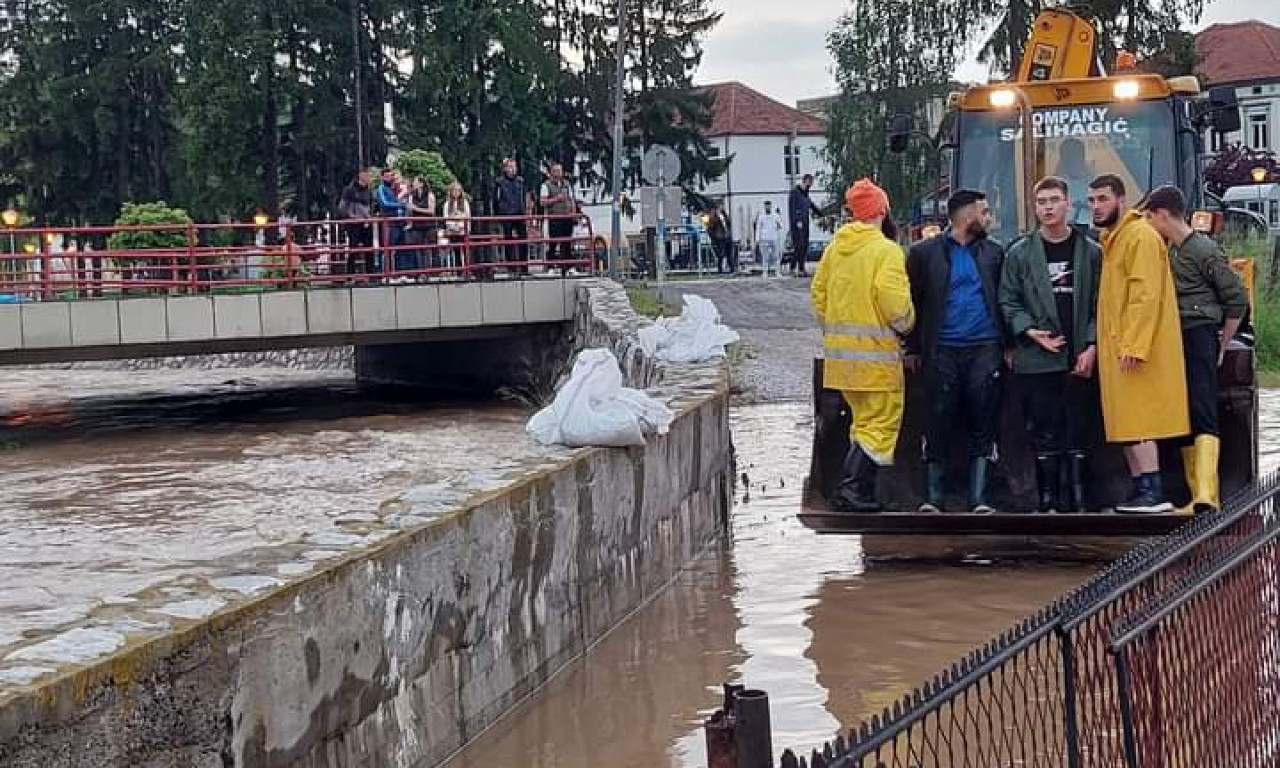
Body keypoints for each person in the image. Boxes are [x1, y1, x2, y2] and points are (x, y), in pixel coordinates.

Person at [999, 177, 1103, 513]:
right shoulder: (1019, 253)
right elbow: (1008, 300)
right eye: (1041, 201)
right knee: (1043, 428)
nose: (1047, 207)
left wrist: (1091, 345)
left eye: (1054, 200)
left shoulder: (1091, 252)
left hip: (1079, 355)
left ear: (1068, 203)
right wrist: (1028, 331)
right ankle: (1047, 499)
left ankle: (1078, 497)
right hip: (1037, 359)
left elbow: (1101, 304)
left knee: (1079, 427)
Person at [811, 179, 915, 511]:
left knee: (862, 423)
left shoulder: (834, 249)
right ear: (882, 210)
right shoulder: (886, 251)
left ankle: (860, 492)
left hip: (842, 363)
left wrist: (836, 334)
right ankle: (852, 488)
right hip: (877, 360)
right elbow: (895, 304)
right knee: (882, 423)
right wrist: (908, 325)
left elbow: (819, 294)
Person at [1143, 185, 1248, 513]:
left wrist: (1223, 342)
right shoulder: (1169, 251)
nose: (1148, 223)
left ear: (1162, 214)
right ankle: (1194, 495)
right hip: (1174, 337)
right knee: (1183, 409)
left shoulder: (1203, 249)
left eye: (1149, 216)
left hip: (1200, 332)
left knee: (1203, 405)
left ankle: (1207, 492)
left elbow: (1236, 298)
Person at [1088, 174, 1189, 513]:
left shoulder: (1139, 237)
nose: (1096, 206)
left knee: (1141, 419)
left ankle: (1153, 491)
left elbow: (1145, 295)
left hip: (1133, 349)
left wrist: (1134, 344)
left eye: (1102, 199)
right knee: (1129, 421)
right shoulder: (1116, 239)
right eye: (1092, 200)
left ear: (1121, 199)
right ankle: (1140, 489)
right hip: (1119, 346)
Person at [905, 188, 1005, 514]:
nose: (988, 217)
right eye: (984, 211)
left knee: (983, 416)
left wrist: (1010, 346)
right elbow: (915, 303)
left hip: (984, 346)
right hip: (943, 348)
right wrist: (913, 347)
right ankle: (933, 498)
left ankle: (980, 498)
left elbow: (1003, 300)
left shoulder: (993, 253)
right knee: (938, 418)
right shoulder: (925, 254)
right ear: (966, 215)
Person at [492, 158, 529, 276]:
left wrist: (525, 210)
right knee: (508, 240)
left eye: (514, 167)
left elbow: (523, 197)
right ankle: (511, 268)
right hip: (506, 214)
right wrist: (499, 214)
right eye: (510, 167)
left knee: (523, 240)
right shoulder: (499, 182)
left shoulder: (520, 181)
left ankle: (524, 268)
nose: (513, 169)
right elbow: (496, 199)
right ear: (505, 168)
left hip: (519, 213)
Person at [338, 168, 374, 280]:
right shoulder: (349, 190)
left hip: (366, 223)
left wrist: (369, 218)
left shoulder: (368, 190)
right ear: (361, 176)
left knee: (369, 249)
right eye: (368, 175)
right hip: (353, 224)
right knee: (353, 249)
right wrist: (353, 217)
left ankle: (371, 275)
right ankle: (350, 275)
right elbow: (342, 208)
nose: (370, 178)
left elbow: (371, 206)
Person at [540, 162, 577, 266]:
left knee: (567, 242)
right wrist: (556, 199)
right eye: (555, 171)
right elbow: (542, 202)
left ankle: (568, 266)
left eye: (559, 171)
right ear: (551, 172)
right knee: (553, 242)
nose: (558, 173)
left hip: (567, 217)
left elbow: (571, 199)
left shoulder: (566, 184)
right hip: (554, 218)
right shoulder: (546, 185)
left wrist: (573, 212)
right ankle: (551, 265)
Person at [789, 174, 823, 277]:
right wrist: (797, 220)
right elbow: (792, 208)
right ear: (805, 181)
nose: (811, 185)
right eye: (810, 182)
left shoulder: (805, 194)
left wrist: (822, 214)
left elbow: (811, 205)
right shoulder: (795, 192)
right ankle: (795, 268)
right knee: (798, 246)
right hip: (797, 225)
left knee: (804, 246)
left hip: (805, 223)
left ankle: (801, 268)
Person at [376, 168, 408, 277]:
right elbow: (384, 203)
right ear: (382, 177)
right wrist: (400, 205)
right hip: (388, 222)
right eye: (387, 176)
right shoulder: (381, 188)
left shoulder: (394, 188)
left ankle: (401, 273)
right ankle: (386, 274)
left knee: (401, 248)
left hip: (399, 222)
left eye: (391, 176)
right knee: (387, 248)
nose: (390, 178)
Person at [403, 177, 437, 274]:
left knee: (427, 248)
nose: (414, 184)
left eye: (415, 182)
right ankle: (420, 271)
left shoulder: (430, 195)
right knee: (418, 249)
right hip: (417, 225)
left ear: (421, 184)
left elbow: (431, 211)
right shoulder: (412, 195)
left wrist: (416, 208)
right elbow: (409, 210)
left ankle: (428, 270)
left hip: (428, 225)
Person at [443, 182, 472, 274]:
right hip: (452, 230)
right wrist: (453, 226)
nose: (456, 192)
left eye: (458, 190)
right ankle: (459, 270)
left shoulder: (465, 203)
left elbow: (467, 216)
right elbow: (446, 218)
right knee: (456, 250)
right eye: (454, 190)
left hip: (463, 229)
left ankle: (468, 269)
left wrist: (460, 225)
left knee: (466, 250)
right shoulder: (447, 204)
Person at [754, 200, 785, 278]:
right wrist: (757, 239)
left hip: (774, 238)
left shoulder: (775, 215)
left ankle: (777, 272)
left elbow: (781, 225)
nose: (767, 207)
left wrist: (779, 225)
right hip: (764, 238)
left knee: (776, 257)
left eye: (769, 206)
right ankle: (765, 272)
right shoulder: (761, 216)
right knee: (765, 257)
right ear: (764, 207)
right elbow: (758, 228)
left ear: (771, 206)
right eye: (766, 206)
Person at [707, 203, 735, 274]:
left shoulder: (724, 215)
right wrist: (714, 238)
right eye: (720, 206)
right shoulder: (713, 216)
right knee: (721, 254)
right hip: (720, 238)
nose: (722, 208)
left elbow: (728, 224)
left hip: (727, 236)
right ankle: (720, 269)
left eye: (723, 206)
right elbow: (710, 228)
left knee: (729, 253)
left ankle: (732, 269)